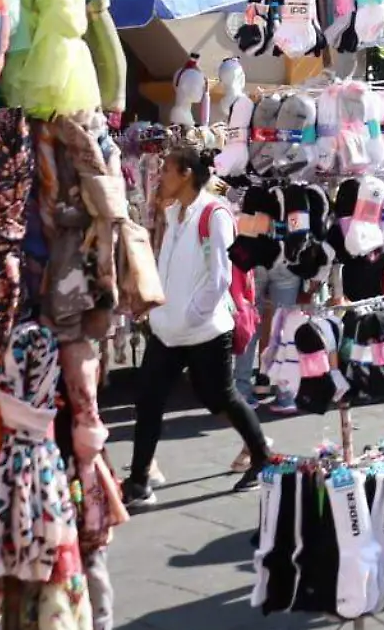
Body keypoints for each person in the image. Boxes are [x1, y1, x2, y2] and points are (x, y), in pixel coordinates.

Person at [123, 147, 272, 507]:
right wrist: (159, 311)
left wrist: (191, 314)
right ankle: (139, 479)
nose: (161, 179)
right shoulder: (175, 214)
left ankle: (263, 458)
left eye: (167, 172)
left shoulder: (214, 214)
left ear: (187, 173)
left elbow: (219, 277)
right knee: (148, 400)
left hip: (204, 331)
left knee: (220, 398)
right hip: (167, 330)